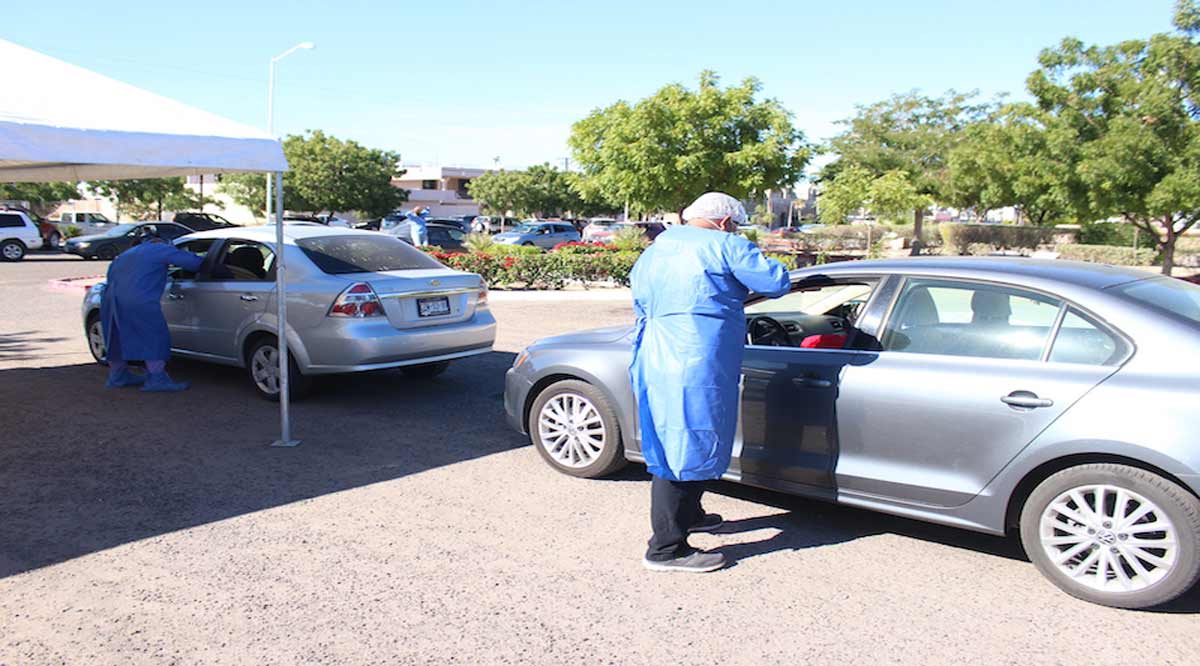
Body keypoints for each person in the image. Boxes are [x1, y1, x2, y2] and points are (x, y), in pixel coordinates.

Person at [630, 192, 791, 573]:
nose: (735, 229)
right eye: (735, 223)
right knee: (688, 443)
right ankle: (666, 549)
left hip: (655, 353)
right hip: (697, 355)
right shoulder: (726, 245)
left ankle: (692, 515)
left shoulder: (654, 251)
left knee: (673, 436)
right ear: (724, 222)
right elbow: (776, 282)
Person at [100, 229, 205, 392]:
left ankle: (117, 376)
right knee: (154, 335)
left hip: (111, 298)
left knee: (117, 336)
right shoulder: (160, 249)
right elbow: (195, 263)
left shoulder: (126, 254)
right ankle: (157, 379)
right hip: (138, 299)